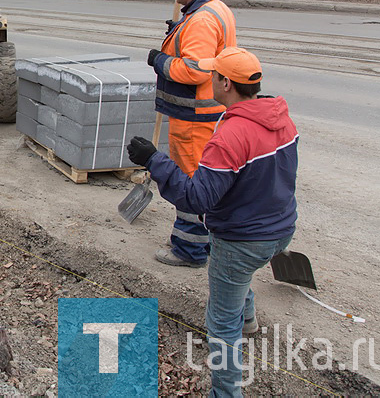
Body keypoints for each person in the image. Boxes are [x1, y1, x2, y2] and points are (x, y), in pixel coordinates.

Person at [127, 47, 297, 397]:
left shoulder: (232, 136)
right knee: (239, 275)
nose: (209, 81)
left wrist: (154, 161)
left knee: (221, 324)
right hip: (281, 229)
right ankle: (247, 319)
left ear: (225, 83)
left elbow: (196, 198)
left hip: (243, 240)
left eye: (213, 76)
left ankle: (225, 392)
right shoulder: (281, 118)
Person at [148, 0, 237, 268]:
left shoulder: (200, 20)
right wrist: (178, 35)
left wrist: (160, 61)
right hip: (207, 112)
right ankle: (207, 241)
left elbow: (196, 70)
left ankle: (189, 249)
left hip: (193, 117)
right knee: (206, 180)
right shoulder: (215, 9)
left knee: (189, 183)